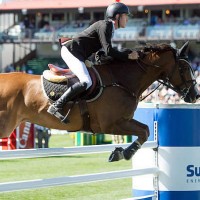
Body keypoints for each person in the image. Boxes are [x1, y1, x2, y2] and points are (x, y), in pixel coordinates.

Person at [47, 2, 139, 122]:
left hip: (78, 53)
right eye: (125, 15)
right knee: (86, 81)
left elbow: (102, 51)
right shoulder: (106, 25)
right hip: (71, 51)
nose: (127, 18)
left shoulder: (108, 27)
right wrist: (128, 57)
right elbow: (109, 51)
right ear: (117, 16)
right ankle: (57, 105)